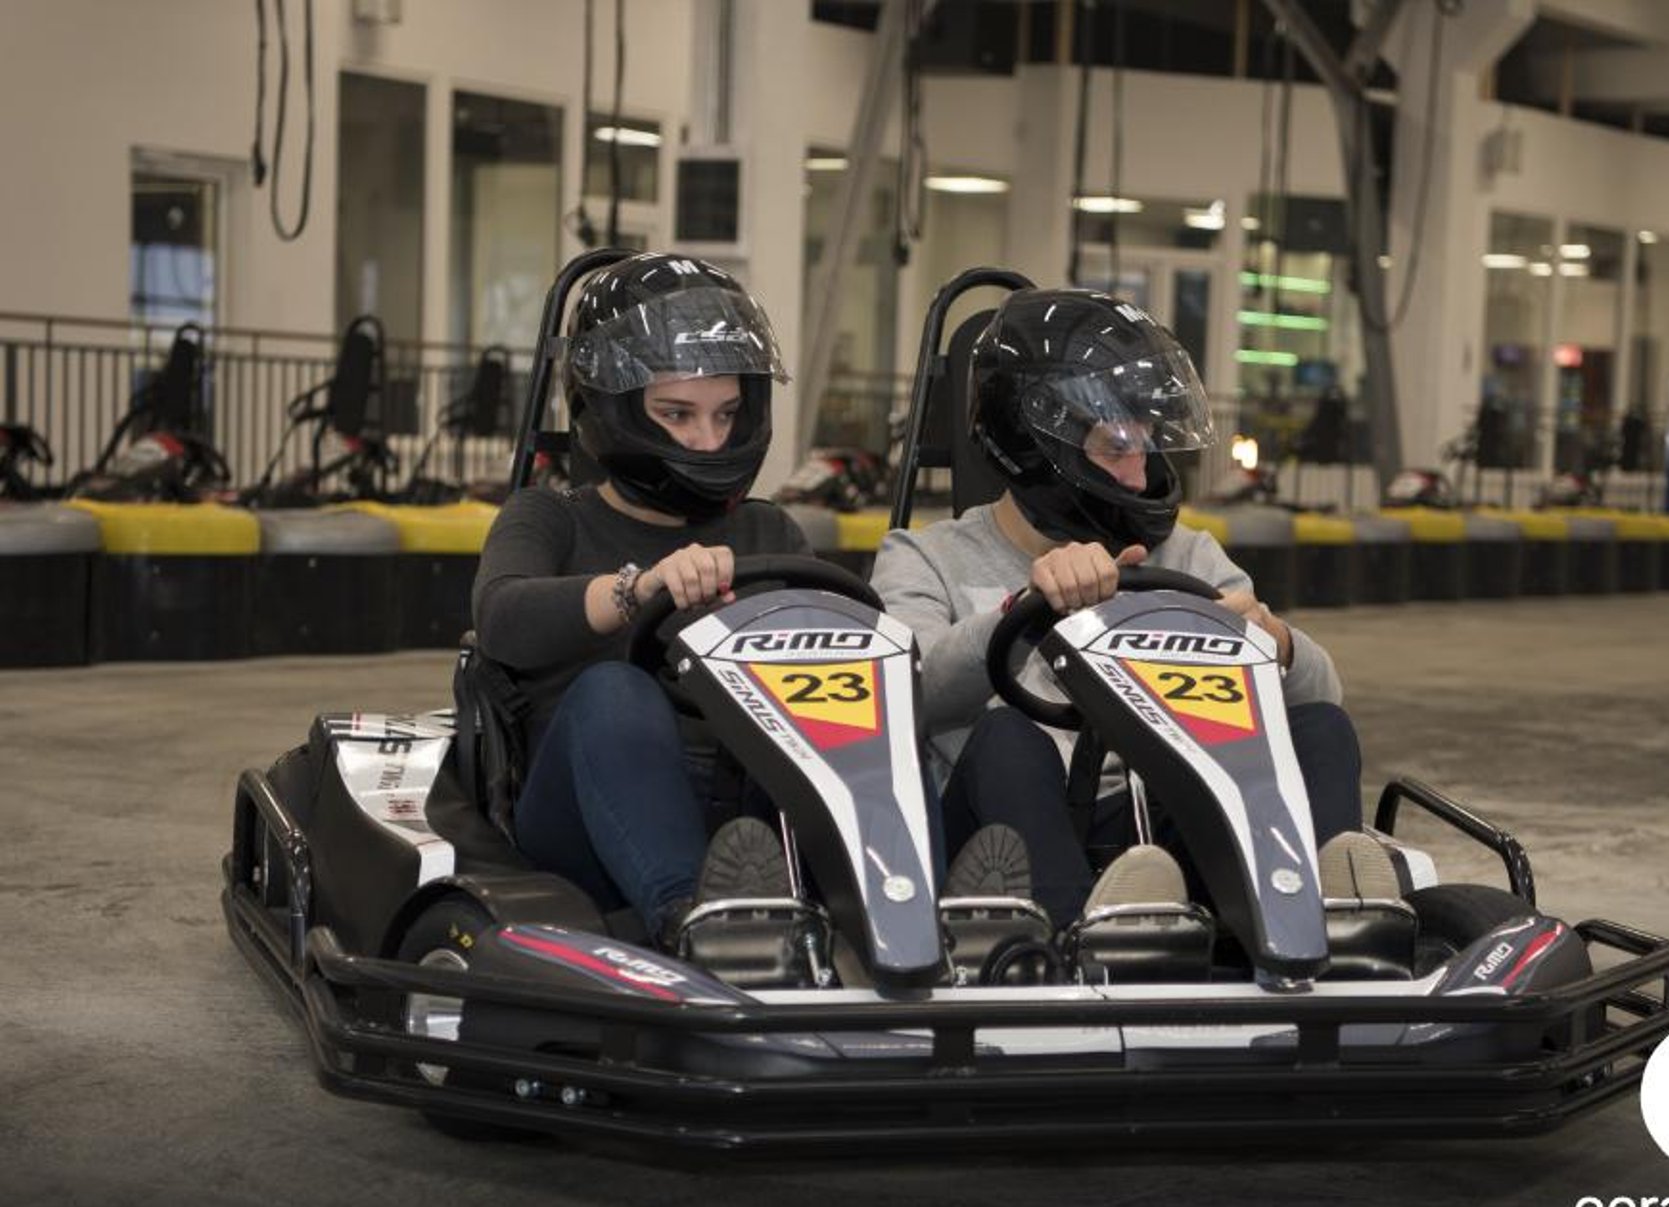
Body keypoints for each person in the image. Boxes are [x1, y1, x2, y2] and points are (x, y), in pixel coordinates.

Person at [871, 287, 1395, 934]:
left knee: (1318, 726)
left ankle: (1325, 924)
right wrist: (1028, 608)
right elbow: (902, 699)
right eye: (1115, 446)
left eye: (1146, 444)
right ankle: (1080, 938)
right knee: (1008, 738)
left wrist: (1277, 643)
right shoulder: (925, 557)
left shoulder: (1187, 555)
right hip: (1001, 834)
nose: (1141, 476)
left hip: (1160, 829)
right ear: (1036, 447)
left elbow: (1325, 696)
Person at [470, 253, 807, 948]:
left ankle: (910, 912)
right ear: (613, 409)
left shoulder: (769, 531)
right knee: (615, 690)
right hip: (581, 815)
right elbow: (501, 620)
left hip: (741, 804)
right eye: (677, 414)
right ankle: (697, 923)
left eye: (726, 415)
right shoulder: (549, 518)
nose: (707, 441)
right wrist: (639, 589)